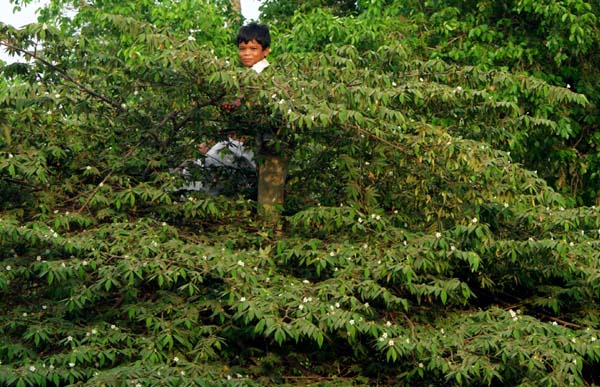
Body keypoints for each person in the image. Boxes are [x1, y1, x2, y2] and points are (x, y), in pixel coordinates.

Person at [181, 23, 271, 196]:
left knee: (199, 176)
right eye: (243, 49)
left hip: (249, 148)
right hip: (232, 144)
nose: (247, 54)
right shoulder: (242, 76)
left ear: (265, 51)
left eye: (253, 49)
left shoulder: (266, 76)